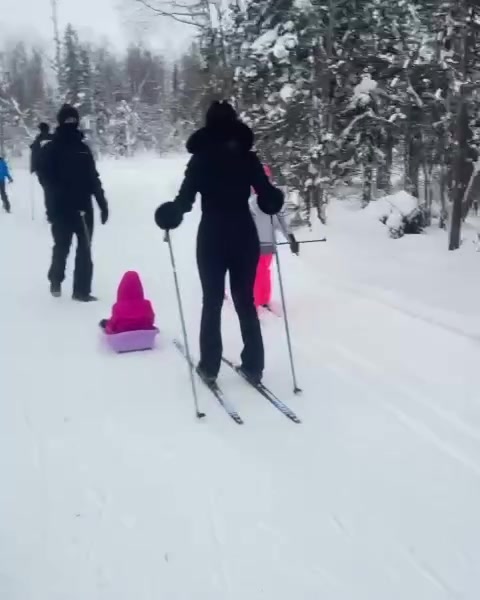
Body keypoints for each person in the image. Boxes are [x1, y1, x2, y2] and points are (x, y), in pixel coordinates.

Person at [155, 100, 284, 384]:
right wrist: (272, 201)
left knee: (211, 301)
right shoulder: (248, 158)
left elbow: (184, 200)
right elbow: (266, 196)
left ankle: (209, 366)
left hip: (212, 233)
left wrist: (171, 215)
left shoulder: (200, 159)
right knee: (245, 301)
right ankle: (253, 366)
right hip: (243, 232)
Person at [37, 104, 109, 301]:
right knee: (62, 245)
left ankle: (81, 290)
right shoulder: (52, 148)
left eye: (73, 120)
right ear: (61, 122)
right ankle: (55, 279)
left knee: (85, 248)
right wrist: (55, 199)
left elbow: (93, 178)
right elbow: (44, 177)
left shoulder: (83, 149)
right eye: (67, 120)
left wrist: (102, 203)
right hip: (61, 208)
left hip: (84, 207)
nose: (71, 123)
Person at [250, 165, 299, 308]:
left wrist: (291, 239)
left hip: (263, 244)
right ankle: (260, 300)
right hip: (252, 243)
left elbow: (283, 220)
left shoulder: (270, 199)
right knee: (260, 272)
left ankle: (259, 301)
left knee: (260, 272)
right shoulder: (250, 197)